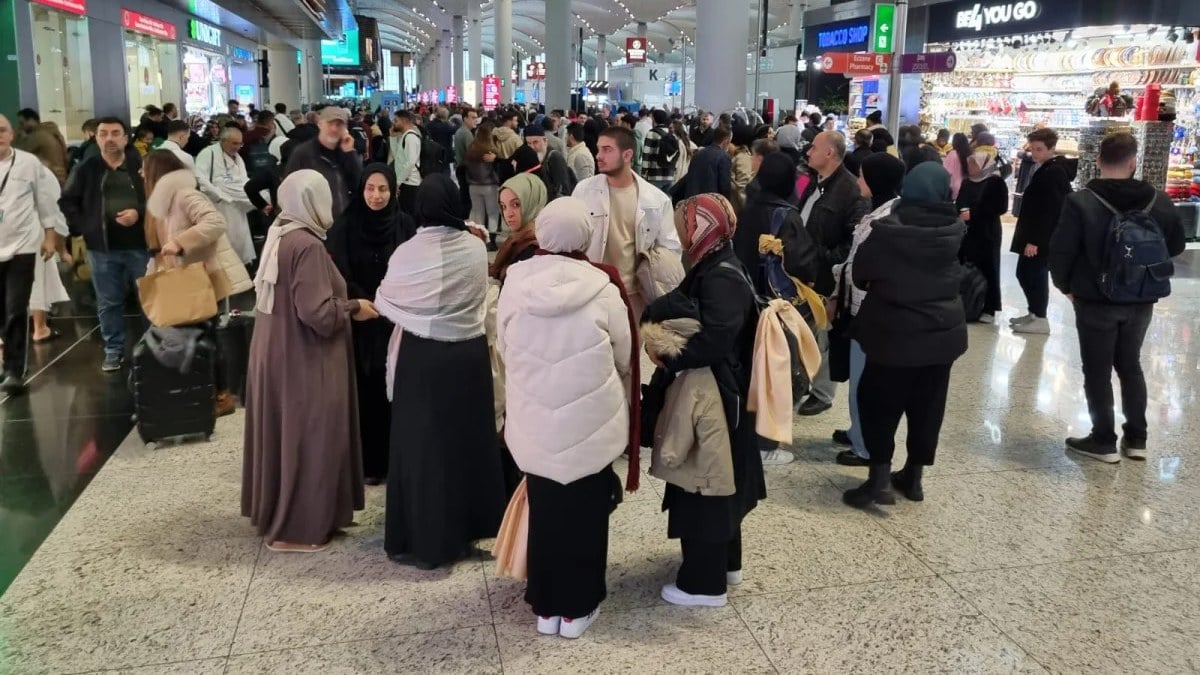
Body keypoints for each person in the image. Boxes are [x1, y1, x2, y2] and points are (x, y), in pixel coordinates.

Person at [497, 196, 634, 639]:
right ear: (585, 235)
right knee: (586, 517)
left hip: (535, 424)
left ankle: (547, 607)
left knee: (546, 514)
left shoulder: (514, 283)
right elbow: (626, 355)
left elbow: (503, 346)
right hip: (591, 427)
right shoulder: (604, 288)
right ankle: (578, 609)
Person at [374, 175, 506, 569]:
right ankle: (469, 527)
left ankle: (426, 538)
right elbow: (479, 295)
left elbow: (386, 299)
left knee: (424, 448)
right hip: (467, 355)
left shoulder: (408, 253)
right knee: (465, 443)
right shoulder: (474, 247)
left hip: (423, 358)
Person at [242, 169, 372, 552]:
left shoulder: (281, 233)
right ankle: (297, 529)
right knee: (310, 437)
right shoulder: (307, 246)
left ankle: (288, 515)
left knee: (287, 436)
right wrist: (354, 307)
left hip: (275, 351)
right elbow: (318, 314)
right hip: (303, 357)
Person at [645, 193, 764, 608]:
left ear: (701, 228)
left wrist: (666, 353)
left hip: (714, 398)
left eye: (685, 225)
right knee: (721, 483)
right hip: (722, 396)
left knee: (705, 485)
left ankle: (704, 584)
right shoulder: (719, 262)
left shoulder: (720, 276)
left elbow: (714, 341)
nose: (680, 233)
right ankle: (726, 565)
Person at [1049, 132, 1185, 463]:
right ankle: (1137, 439)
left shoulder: (1080, 202)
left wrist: (1065, 286)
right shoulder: (1158, 200)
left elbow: (1062, 250)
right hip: (1141, 298)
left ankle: (1103, 440)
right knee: (1130, 365)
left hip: (1095, 298)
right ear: (1133, 161)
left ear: (1098, 161)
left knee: (1097, 370)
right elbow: (1176, 245)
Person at [843, 163, 968, 507]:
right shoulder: (954, 229)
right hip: (942, 335)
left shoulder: (887, 231)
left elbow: (860, 274)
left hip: (893, 333)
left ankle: (879, 480)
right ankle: (914, 477)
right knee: (928, 406)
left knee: (878, 403)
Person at [142, 150, 254, 416]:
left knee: (205, 337)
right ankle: (201, 393)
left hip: (199, 280)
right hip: (180, 281)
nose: (140, 173)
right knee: (193, 338)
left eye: (144, 168)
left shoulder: (184, 195)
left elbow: (215, 222)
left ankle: (221, 395)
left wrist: (180, 243)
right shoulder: (161, 203)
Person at [327, 164, 415, 485]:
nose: (376, 196)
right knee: (366, 390)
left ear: (393, 191)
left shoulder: (404, 225)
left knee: (397, 388)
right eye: (370, 188)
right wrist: (361, 302)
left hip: (396, 319)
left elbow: (413, 268)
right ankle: (369, 463)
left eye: (382, 189)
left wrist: (392, 301)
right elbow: (338, 274)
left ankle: (397, 460)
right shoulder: (346, 227)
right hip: (360, 320)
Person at [829, 153, 907, 468]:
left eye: (862, 175)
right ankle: (857, 431)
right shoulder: (880, 210)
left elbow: (865, 266)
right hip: (858, 306)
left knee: (865, 384)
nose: (858, 180)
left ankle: (865, 447)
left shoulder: (886, 220)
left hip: (870, 312)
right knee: (857, 378)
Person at [58, 117, 148, 372]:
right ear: (95, 138)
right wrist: (84, 227)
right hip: (102, 248)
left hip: (140, 245)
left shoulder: (140, 165)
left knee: (148, 298)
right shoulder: (86, 169)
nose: (109, 139)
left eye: (115, 133)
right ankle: (113, 349)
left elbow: (157, 198)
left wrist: (139, 212)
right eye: (103, 134)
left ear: (126, 138)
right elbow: (67, 201)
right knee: (109, 301)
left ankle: (150, 348)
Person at [573, 126, 680, 320]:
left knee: (632, 340)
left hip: (634, 296)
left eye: (607, 149)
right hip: (592, 291)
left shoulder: (656, 201)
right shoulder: (584, 191)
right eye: (598, 149)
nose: (598, 156)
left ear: (627, 155)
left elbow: (670, 251)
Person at [798, 130, 870, 416]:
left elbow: (852, 243)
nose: (808, 152)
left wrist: (823, 262)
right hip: (805, 273)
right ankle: (806, 380)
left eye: (814, 148)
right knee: (807, 331)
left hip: (826, 277)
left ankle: (822, 392)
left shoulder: (850, 191)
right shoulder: (815, 182)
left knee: (824, 334)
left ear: (829, 153)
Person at [0, 115, 65, 393]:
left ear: (12, 134)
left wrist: (50, 237)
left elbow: (45, 201)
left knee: (16, 308)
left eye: (2, 130)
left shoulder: (28, 163)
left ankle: (14, 370)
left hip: (23, 246)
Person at [1009, 128, 1074, 335]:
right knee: (1025, 273)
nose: (1035, 153)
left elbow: (1049, 210)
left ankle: (1040, 317)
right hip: (1033, 232)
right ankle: (1034, 313)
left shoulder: (1053, 172)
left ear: (1051, 148)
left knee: (1033, 274)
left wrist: (1035, 240)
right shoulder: (1045, 169)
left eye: (1039, 149)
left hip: (1040, 237)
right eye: (1033, 149)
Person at [955, 132, 1009, 323]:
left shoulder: (995, 182)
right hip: (967, 232)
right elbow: (960, 201)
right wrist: (960, 211)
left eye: (973, 164)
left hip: (987, 232)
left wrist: (974, 214)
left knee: (988, 268)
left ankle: (989, 307)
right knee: (966, 266)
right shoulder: (968, 182)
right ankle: (967, 302)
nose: (970, 167)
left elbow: (1000, 207)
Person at [283, 107, 361, 217]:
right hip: (314, 222)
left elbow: (358, 184)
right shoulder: (303, 153)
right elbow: (289, 191)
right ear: (320, 124)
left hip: (342, 221)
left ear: (345, 128)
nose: (334, 129)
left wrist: (350, 153)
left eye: (339, 125)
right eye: (330, 123)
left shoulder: (345, 152)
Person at [196, 126, 256, 264]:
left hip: (239, 205)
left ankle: (243, 266)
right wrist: (220, 194)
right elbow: (200, 178)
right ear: (223, 141)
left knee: (240, 238)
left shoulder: (238, 158)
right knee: (224, 243)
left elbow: (244, 179)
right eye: (234, 143)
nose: (238, 147)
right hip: (219, 205)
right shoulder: (208, 153)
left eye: (240, 143)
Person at [492, 174, 548, 282]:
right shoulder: (517, 239)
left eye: (516, 204)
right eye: (503, 206)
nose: (508, 214)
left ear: (532, 202)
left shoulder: (533, 249)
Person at [15, 108, 68, 186]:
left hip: (49, 178)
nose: (20, 127)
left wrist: (21, 138)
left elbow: (17, 152)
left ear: (31, 120)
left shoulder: (38, 135)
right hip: (60, 176)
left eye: (22, 123)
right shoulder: (51, 131)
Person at [683, 127, 733, 201]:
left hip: (692, 199)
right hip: (710, 201)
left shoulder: (698, 154)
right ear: (726, 141)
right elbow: (724, 185)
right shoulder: (724, 157)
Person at [390, 111, 423, 221]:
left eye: (396, 121)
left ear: (404, 121)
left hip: (411, 183)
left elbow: (411, 162)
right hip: (405, 182)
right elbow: (397, 156)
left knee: (409, 215)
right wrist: (392, 138)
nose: (393, 123)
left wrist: (398, 182)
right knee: (405, 213)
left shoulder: (411, 137)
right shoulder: (405, 136)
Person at [641, 110, 678, 194]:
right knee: (666, 200)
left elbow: (646, 155)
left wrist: (643, 174)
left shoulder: (652, 133)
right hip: (669, 175)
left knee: (654, 200)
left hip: (654, 176)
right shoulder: (671, 133)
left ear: (654, 119)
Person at [728, 125, 755, 211]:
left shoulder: (742, 157)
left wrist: (746, 209)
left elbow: (743, 185)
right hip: (735, 207)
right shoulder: (739, 155)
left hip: (738, 208)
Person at [942, 132, 971, 201]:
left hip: (951, 186)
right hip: (964, 187)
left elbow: (946, 171)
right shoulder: (969, 154)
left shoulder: (953, 154)